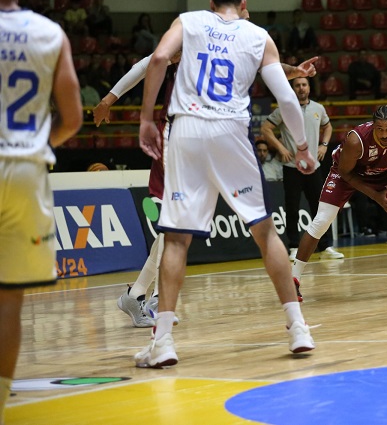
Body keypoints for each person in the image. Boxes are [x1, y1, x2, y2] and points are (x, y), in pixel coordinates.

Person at [135, 0, 317, 367]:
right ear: (243, 0)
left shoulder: (188, 21)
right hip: (231, 131)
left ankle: (163, 342)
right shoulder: (257, 35)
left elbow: (160, 59)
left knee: (177, 238)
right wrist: (302, 146)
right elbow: (286, 97)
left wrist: (147, 117)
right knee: (263, 229)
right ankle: (298, 327)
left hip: (185, 129)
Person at [94, 30, 317, 328]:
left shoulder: (226, 49)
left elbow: (264, 67)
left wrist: (293, 72)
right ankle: (153, 299)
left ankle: (139, 296)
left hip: (208, 140)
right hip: (174, 136)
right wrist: (108, 99)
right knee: (176, 225)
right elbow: (144, 66)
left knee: (178, 227)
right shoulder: (184, 48)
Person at [0, 0, 83, 424]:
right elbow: (72, 117)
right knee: (9, 298)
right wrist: (34, 140)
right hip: (27, 171)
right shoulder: (49, 33)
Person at [291, 105, 387, 300]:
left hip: (382, 173)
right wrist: (377, 197)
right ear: (373, 126)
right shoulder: (355, 140)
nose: (384, 134)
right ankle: (293, 281)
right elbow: (345, 173)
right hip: (346, 174)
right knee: (322, 220)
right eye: (379, 129)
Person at [262, 76, 342, 261]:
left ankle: (325, 246)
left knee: (321, 208)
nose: (301, 88)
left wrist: (324, 145)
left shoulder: (318, 108)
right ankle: (294, 246)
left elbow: (328, 127)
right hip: (292, 167)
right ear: (293, 88)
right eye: (297, 85)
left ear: (309, 88)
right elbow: (266, 128)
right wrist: (280, 148)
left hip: (314, 167)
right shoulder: (285, 107)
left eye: (304, 85)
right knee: (292, 208)